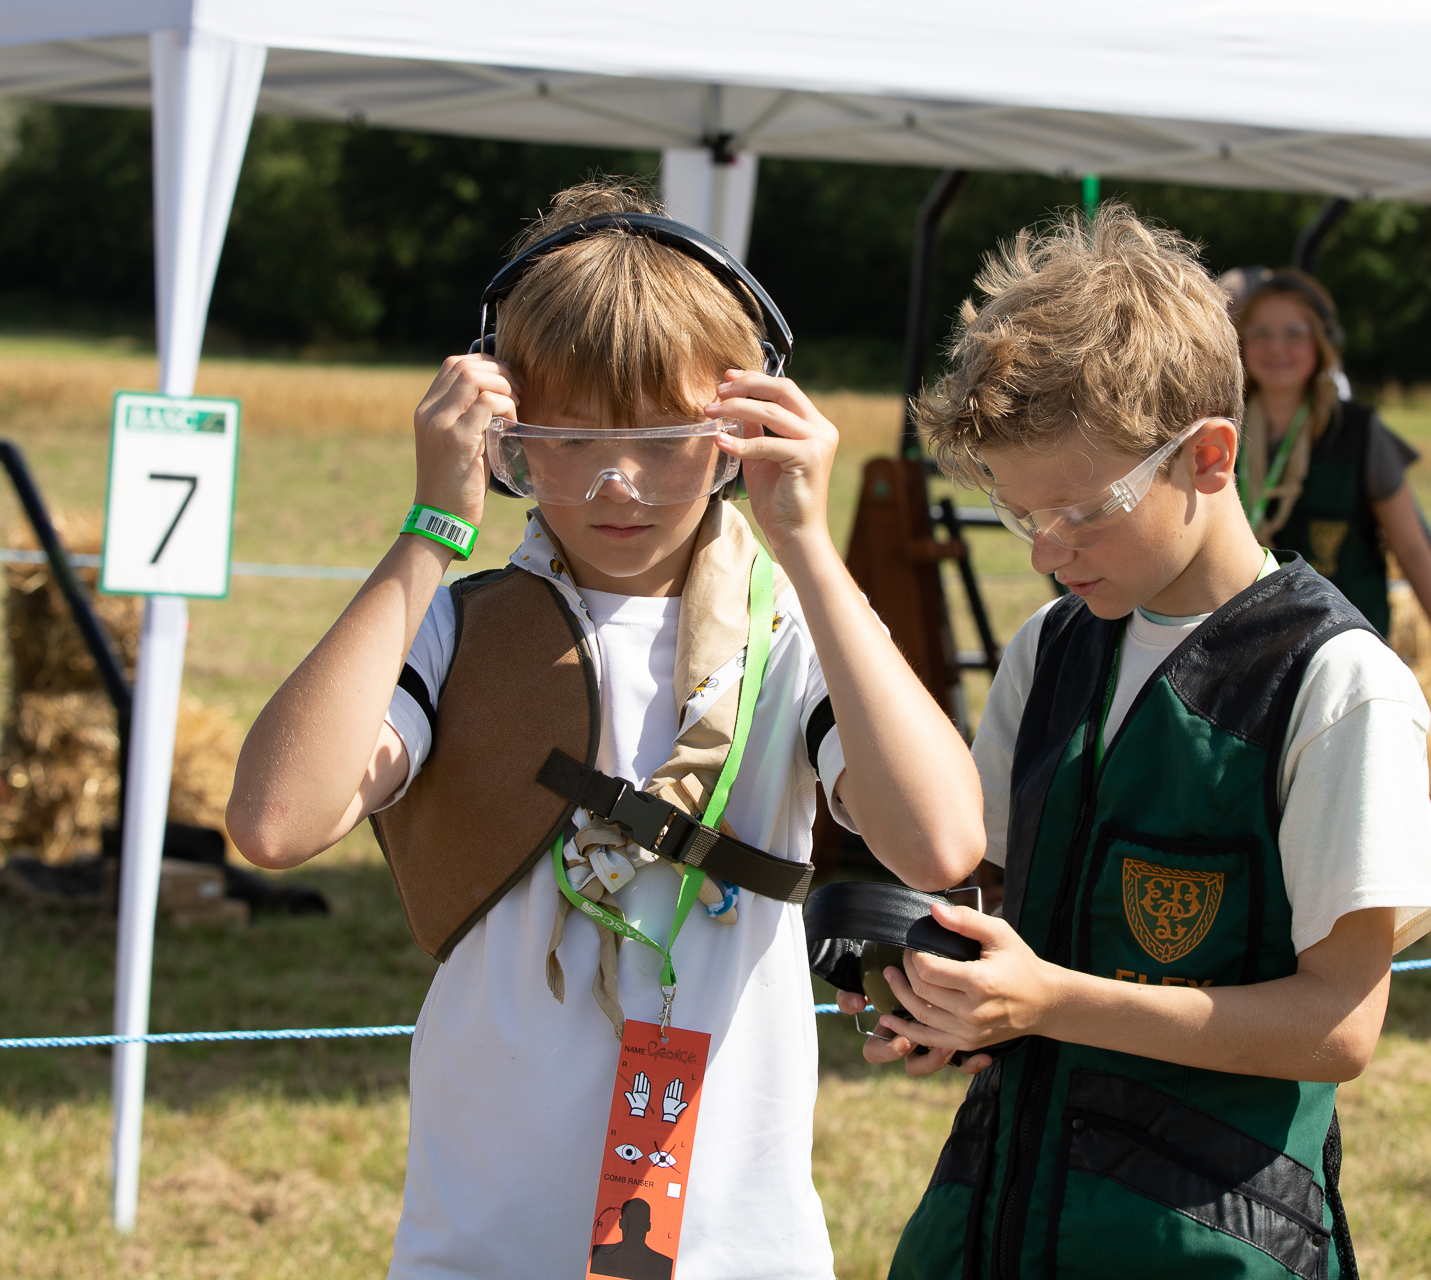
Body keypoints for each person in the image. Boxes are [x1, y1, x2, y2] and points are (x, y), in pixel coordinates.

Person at [226, 179, 984, 1279]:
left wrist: (810, 547)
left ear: (741, 427)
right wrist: (430, 528)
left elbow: (938, 840)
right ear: (503, 433)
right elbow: (276, 820)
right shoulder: (458, 623)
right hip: (487, 1233)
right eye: (568, 438)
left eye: (666, 437)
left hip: (732, 1236)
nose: (619, 479)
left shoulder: (786, 626)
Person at [839, 205, 1431, 1279]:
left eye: (1081, 511)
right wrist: (942, 994)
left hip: (1198, 1245)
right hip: (994, 1219)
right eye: (1017, 514)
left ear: (1210, 456)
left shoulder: (1337, 683)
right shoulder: (1051, 645)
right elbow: (997, 902)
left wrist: (1051, 1000)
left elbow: (1339, 1025)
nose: (1046, 552)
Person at [1229, 269, 1431, 723]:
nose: (1277, 348)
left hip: (1340, 658)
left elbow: (1413, 549)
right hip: (1244, 652)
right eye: (1261, 333)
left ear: (1320, 345)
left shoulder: (1359, 433)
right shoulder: (1222, 429)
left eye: (1294, 333)